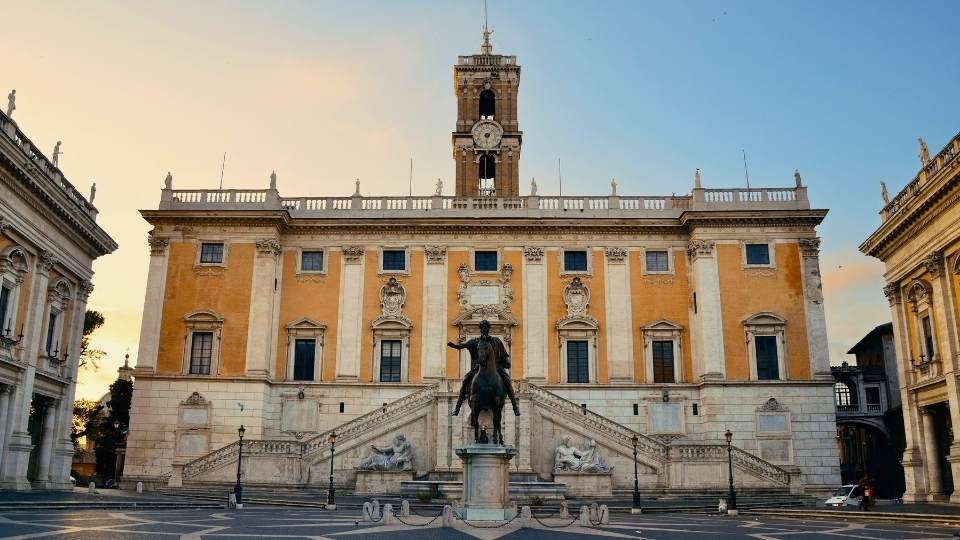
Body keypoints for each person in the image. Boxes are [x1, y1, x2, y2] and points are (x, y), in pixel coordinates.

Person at [448, 319, 520, 416]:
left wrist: (506, 362)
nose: (484, 329)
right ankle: (457, 408)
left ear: (488, 328)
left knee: (507, 381)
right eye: (482, 327)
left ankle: (515, 407)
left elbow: (503, 354)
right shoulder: (475, 341)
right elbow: (463, 346)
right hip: (479, 368)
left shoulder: (496, 341)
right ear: (480, 329)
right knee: (466, 380)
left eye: (485, 327)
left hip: (497, 368)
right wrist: (454, 346)